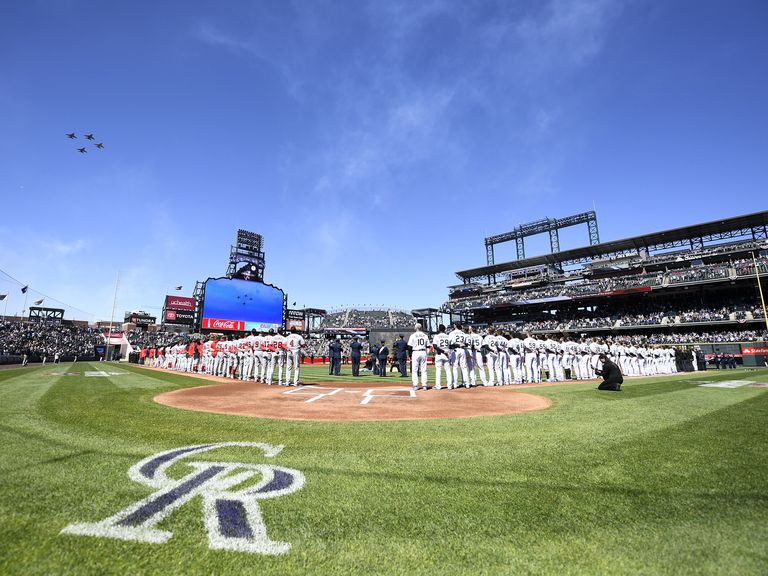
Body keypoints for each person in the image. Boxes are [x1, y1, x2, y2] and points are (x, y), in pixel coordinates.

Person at [407, 323, 430, 390]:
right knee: (424, 370)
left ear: (416, 328)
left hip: (415, 352)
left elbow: (409, 347)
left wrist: (410, 355)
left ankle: (415, 385)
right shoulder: (425, 335)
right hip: (423, 351)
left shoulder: (413, 335)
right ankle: (424, 385)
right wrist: (427, 353)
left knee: (414, 370)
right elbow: (428, 346)